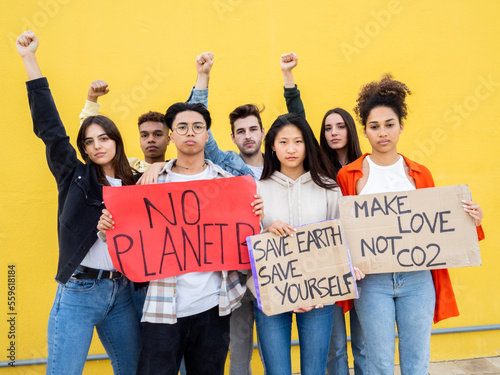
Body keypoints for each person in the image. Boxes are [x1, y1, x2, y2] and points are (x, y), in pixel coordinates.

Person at [99, 101, 264, 375]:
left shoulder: (229, 183)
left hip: (214, 307)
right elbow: (127, 238)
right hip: (162, 309)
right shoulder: (150, 183)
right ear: (172, 135)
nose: (191, 132)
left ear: (207, 135)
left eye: (198, 126)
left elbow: (245, 243)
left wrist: (257, 216)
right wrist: (107, 229)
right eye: (183, 127)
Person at [336, 73, 485, 374]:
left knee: (417, 361)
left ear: (401, 127)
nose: (383, 133)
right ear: (364, 131)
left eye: (389, 125)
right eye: (374, 126)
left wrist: (471, 219)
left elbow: (440, 225)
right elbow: (343, 230)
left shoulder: (419, 173)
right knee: (378, 362)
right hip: (372, 280)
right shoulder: (350, 176)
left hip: (418, 277)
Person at [16, 31, 140, 375]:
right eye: (89, 142)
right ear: (84, 150)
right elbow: (50, 130)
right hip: (79, 291)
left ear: (116, 141)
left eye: (104, 138)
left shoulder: (135, 181)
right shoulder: (75, 176)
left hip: (121, 292)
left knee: (134, 369)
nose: (98, 145)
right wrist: (30, 60)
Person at [253, 112, 364, 375]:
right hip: (272, 296)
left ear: (307, 145)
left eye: (298, 142)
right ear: (272, 146)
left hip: (319, 298)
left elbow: (341, 239)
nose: (291, 149)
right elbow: (246, 244)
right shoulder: (255, 190)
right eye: (283, 142)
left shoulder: (328, 187)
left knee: (314, 370)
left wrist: (349, 267)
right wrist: (265, 229)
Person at [280, 52, 365, 375]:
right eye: (327, 127)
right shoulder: (319, 166)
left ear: (351, 130)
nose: (333, 132)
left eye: (340, 126)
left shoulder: (366, 166)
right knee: (334, 346)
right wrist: (289, 78)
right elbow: (296, 116)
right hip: (326, 263)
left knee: (365, 340)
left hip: (362, 263)